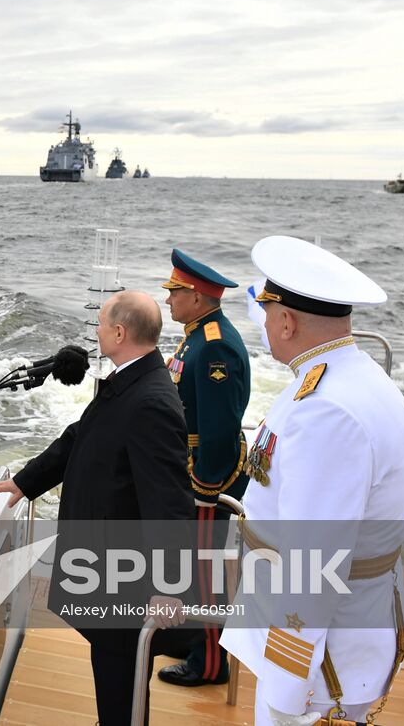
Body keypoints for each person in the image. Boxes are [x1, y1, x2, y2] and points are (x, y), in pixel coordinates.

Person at [220, 236, 404, 726]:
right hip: (334, 629)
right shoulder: (348, 377)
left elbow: (314, 560)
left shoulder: (328, 408)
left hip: (317, 655)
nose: (263, 322)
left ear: (286, 321)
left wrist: (290, 679)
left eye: (266, 311)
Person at [0, 290, 194, 725]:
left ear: (119, 332)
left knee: (121, 670)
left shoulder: (151, 401)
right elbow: (79, 436)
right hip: (105, 558)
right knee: (110, 662)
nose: (96, 333)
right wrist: (26, 482)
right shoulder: (128, 379)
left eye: (101, 324)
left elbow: (169, 502)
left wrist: (169, 584)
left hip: (125, 568)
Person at [156, 248, 251, 688]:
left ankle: (211, 662)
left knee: (207, 572)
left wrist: (205, 486)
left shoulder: (214, 346)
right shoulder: (196, 333)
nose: (169, 300)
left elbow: (217, 429)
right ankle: (194, 637)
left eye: (176, 292)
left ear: (196, 296)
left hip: (208, 474)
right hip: (191, 466)